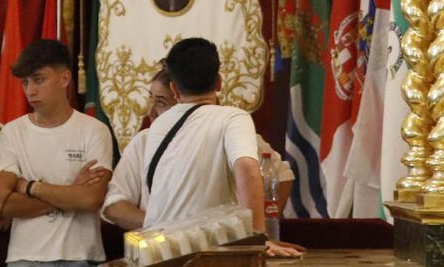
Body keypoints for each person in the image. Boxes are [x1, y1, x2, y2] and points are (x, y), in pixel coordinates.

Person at [103, 39, 300, 258]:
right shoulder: (233, 118)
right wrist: (257, 240)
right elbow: (247, 167)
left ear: (174, 89)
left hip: (159, 254)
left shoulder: (158, 126)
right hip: (208, 254)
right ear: (219, 82)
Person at [0, 40, 112, 267]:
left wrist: (29, 187)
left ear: (64, 78)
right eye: (25, 82)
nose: (30, 91)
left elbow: (91, 199)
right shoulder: (12, 133)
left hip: (81, 256)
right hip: (25, 258)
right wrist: (72, 193)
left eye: (38, 79)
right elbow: (3, 205)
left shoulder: (94, 130)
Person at [142, 69, 291, 216]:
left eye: (161, 102)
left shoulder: (230, 126)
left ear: (176, 93)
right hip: (171, 230)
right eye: (151, 99)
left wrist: (264, 221)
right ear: (219, 83)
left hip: (209, 229)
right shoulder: (148, 137)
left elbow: (278, 174)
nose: (151, 111)